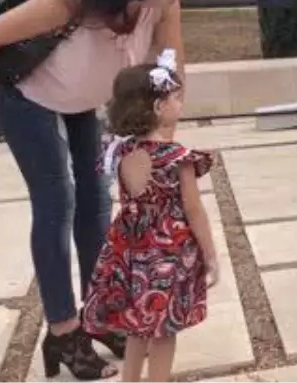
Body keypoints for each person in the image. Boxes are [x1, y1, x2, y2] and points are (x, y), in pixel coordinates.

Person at [0, 0, 184, 380]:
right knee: (58, 201)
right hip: (29, 96)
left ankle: (98, 315)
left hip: (83, 100)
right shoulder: (67, 2)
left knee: (96, 200)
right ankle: (62, 329)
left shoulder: (160, 4)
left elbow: (168, 67)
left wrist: (159, 137)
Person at [82, 53, 218, 383]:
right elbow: (194, 210)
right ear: (158, 108)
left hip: (131, 253)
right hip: (168, 256)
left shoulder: (123, 152)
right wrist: (211, 254)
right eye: (174, 97)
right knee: (164, 331)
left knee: (136, 327)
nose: (179, 102)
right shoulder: (177, 159)